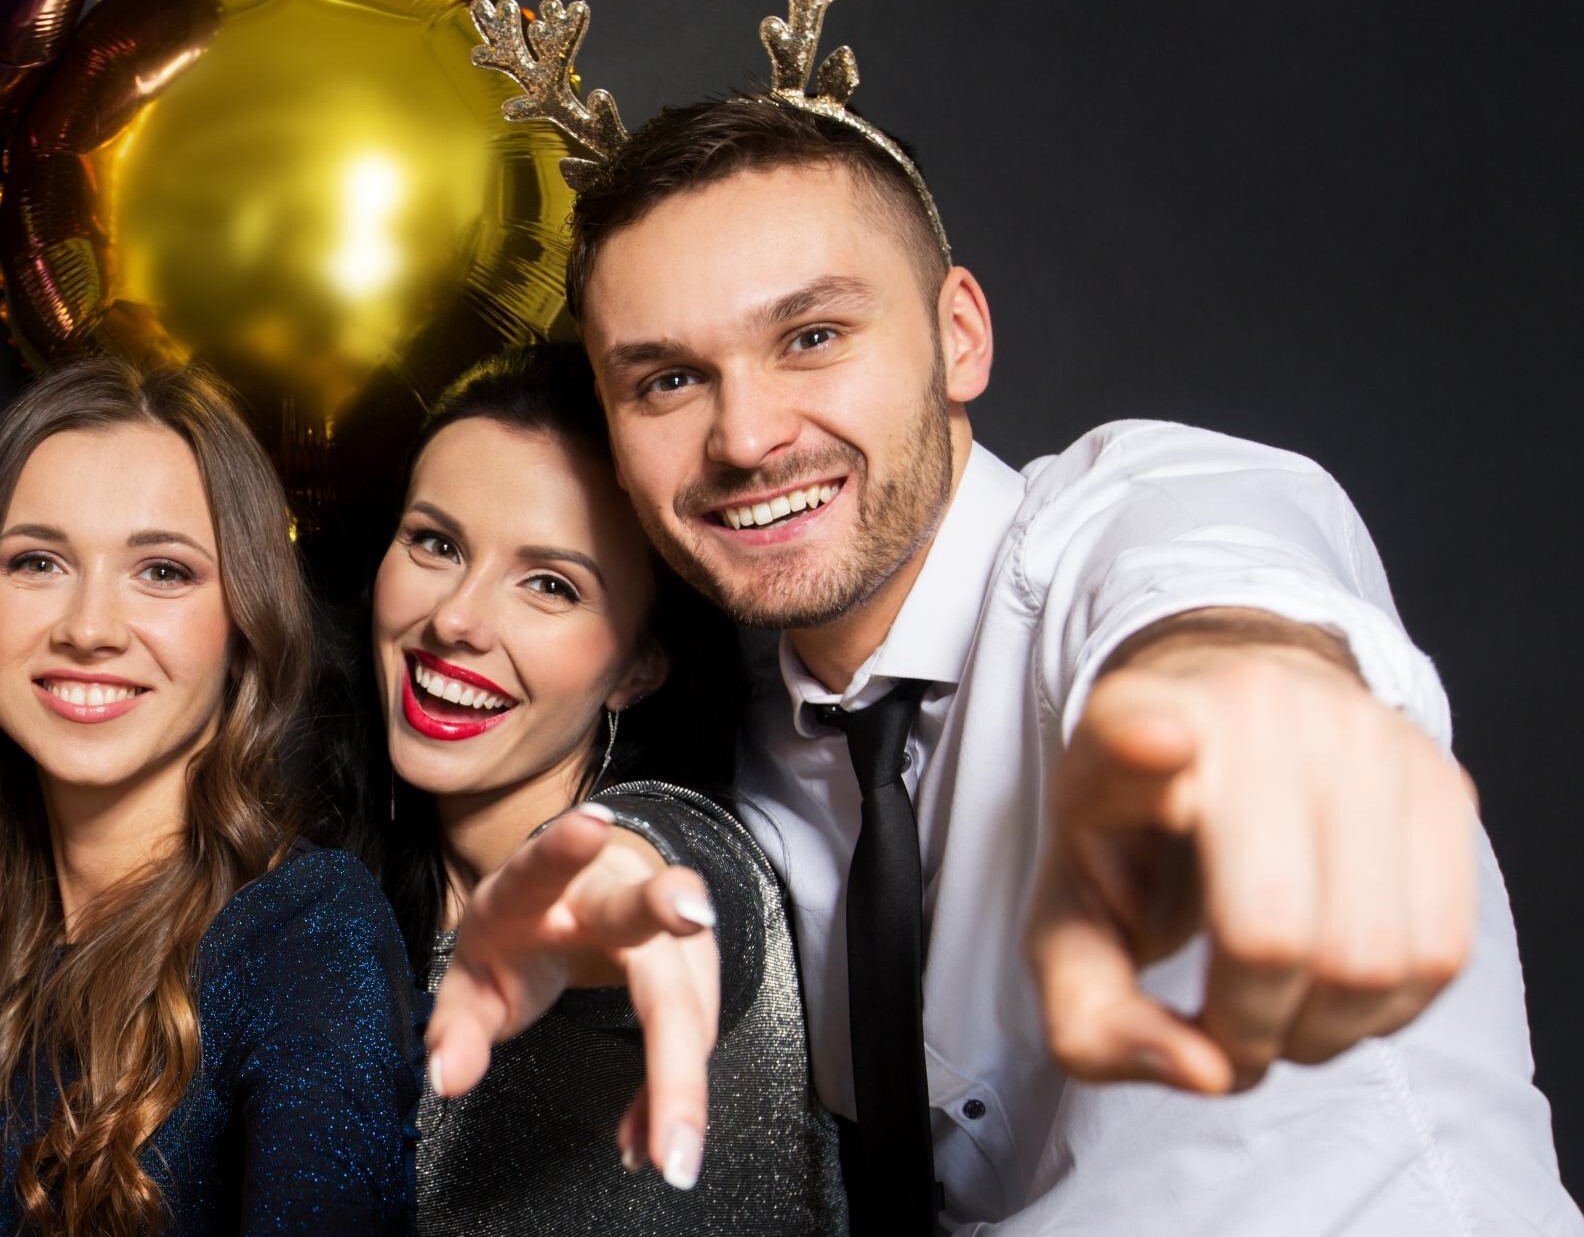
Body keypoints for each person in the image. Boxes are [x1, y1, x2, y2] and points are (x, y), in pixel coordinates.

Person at [437, 3, 1578, 1232]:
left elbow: (1213, 592)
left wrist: (1232, 707)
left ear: (959, 337)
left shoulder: (1136, 519)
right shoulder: (755, 748)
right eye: (668, 379)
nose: (748, 437)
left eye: (813, 337)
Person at [344, 343, 842, 1233]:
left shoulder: (674, 845)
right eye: (436, 543)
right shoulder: (339, 890)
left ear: (640, 665)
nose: (455, 618)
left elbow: (663, 875)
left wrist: (632, 892)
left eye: (550, 585)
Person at [0, 356, 419, 1236]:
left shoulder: (303, 933)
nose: (88, 627)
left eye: (162, 572)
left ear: (246, 624)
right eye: (38, 561)